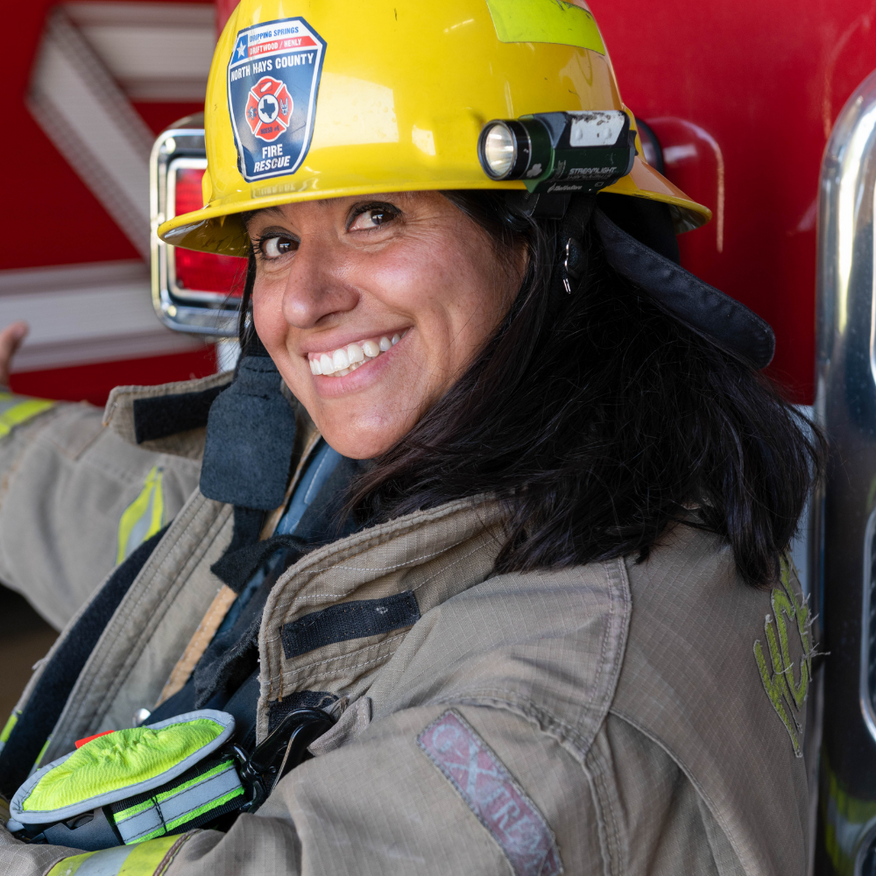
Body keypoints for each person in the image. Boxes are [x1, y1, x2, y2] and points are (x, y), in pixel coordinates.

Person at [0, 0, 822, 874]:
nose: (305, 299)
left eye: (375, 216)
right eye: (277, 240)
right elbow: (170, 533)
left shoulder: (554, 707)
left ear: (542, 235)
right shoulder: (428, 471)